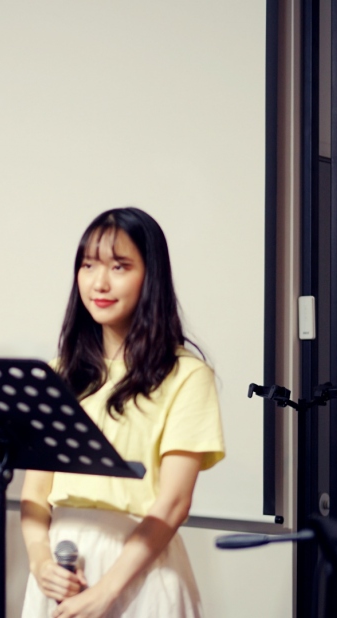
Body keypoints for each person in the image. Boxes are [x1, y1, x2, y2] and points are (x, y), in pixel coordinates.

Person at [20, 207, 225, 618]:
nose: (99, 282)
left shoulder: (187, 375)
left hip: (140, 571)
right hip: (62, 567)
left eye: (119, 266)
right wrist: (41, 562)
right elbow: (34, 494)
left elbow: (173, 503)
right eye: (88, 265)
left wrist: (105, 593)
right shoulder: (59, 374)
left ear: (151, 276)